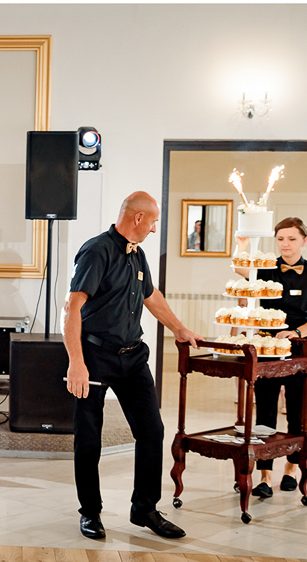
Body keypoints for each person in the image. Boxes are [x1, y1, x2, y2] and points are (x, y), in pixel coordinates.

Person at [63, 191, 200, 540]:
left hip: (133, 356)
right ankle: (90, 512)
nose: (154, 229)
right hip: (95, 356)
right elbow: (72, 307)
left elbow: (151, 296)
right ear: (138, 218)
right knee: (89, 438)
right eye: (153, 222)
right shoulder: (97, 251)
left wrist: (179, 329)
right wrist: (76, 362)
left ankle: (145, 509)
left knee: (152, 430)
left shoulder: (138, 254)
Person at [235, 218, 307, 497]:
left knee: (297, 413)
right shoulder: (266, 268)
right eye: (280, 239)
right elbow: (241, 268)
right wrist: (242, 246)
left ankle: (291, 469)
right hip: (267, 347)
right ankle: (265, 475)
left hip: (300, 348)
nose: (285, 244)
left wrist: (297, 332)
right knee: (265, 412)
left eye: (292, 239)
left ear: (304, 241)